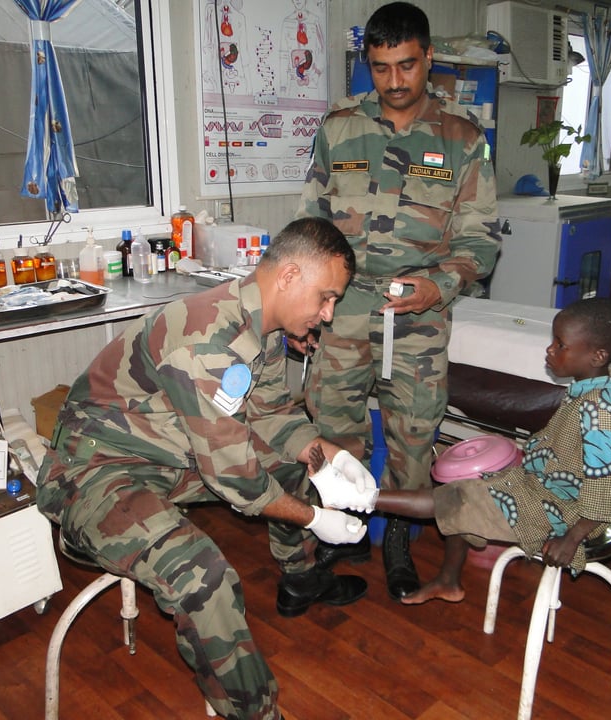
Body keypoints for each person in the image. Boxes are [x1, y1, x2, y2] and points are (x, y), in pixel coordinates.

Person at [35, 217, 382, 720]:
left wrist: (329, 456)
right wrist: (315, 519)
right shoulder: (206, 340)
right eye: (326, 297)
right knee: (203, 577)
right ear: (287, 277)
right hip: (93, 471)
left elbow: (273, 415)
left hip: (166, 452)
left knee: (294, 467)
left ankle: (300, 579)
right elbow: (237, 480)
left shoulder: (256, 324)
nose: (328, 315)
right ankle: (256, 714)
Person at [294, 1, 501, 601]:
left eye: (407, 66)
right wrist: (304, 308)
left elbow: (479, 237)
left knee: (414, 435)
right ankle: (343, 531)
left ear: (428, 58)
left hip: (420, 314)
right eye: (382, 69)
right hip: (343, 308)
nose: (395, 82)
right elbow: (311, 227)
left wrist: (444, 284)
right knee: (333, 427)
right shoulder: (338, 129)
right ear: (369, 65)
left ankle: (398, 541)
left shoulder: (462, 138)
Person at [313, 298, 611, 604]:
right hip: (539, 486)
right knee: (464, 492)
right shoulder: (590, 393)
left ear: (597, 356)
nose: (550, 349)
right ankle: (448, 581)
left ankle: (352, 497)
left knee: (456, 500)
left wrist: (572, 538)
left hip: (557, 513)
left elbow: (606, 491)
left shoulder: (602, 415)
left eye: (561, 344)